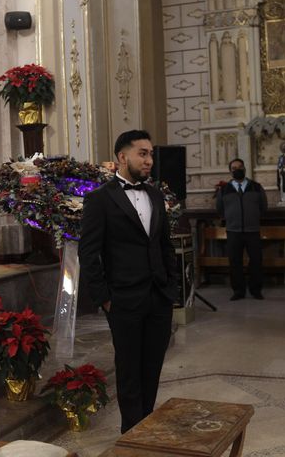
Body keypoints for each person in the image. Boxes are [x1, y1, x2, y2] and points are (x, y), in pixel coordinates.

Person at [79, 130, 178, 434]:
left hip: (158, 297)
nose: (149, 160)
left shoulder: (155, 195)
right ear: (123, 157)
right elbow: (89, 251)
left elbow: (164, 245)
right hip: (123, 299)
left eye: (150, 154)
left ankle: (145, 429)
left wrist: (170, 287)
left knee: (152, 368)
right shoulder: (99, 199)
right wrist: (104, 298)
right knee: (129, 371)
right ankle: (131, 435)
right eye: (142, 154)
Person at [216, 158, 268, 301]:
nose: (237, 169)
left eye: (240, 167)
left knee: (256, 261)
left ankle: (256, 290)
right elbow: (220, 209)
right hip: (233, 231)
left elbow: (264, 207)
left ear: (244, 169)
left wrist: (253, 218)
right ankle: (238, 291)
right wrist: (231, 219)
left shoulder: (256, 187)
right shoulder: (224, 189)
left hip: (252, 230)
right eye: (234, 168)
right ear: (230, 171)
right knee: (235, 262)